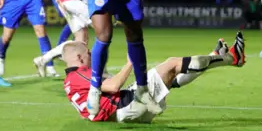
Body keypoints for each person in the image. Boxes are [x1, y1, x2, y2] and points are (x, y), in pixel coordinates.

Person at [62, 32, 245, 123]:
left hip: (123, 113)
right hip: (126, 107)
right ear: (78, 58)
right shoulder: (79, 75)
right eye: (88, 53)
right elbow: (113, 86)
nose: (92, 55)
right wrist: (130, 63)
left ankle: (214, 55)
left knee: (171, 77)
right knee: (172, 64)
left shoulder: (69, 81)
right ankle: (230, 58)